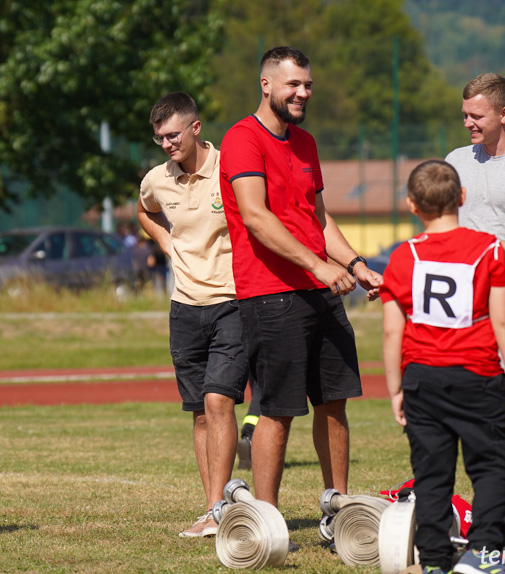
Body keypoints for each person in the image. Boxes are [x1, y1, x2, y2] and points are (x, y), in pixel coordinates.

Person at [219, 46, 381, 523]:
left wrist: (354, 263)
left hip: (319, 290)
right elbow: (255, 216)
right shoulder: (242, 139)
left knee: (335, 401)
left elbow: (319, 217)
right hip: (271, 294)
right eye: (293, 84)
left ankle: (338, 509)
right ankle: (266, 519)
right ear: (266, 84)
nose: (303, 92)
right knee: (278, 409)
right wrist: (319, 266)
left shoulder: (305, 143)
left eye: (307, 84)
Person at [381, 159, 505, 574]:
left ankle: (436, 562)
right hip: (478, 376)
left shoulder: (402, 257)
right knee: (494, 466)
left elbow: (393, 333)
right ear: (462, 198)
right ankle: (480, 554)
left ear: (411, 204)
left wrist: (395, 389)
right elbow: (503, 320)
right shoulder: (489, 249)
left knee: (431, 476)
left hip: (423, 378)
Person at [137, 92, 249, 538]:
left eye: (173, 134)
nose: (167, 144)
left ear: (196, 128)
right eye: (160, 138)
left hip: (233, 302)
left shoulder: (231, 167)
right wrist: (164, 242)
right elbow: (144, 210)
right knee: (200, 413)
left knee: (220, 401)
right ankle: (211, 510)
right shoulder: (155, 180)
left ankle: (221, 508)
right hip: (184, 308)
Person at [445, 73, 505, 330]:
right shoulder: (455, 160)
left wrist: (484, 253)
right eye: (465, 115)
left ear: (504, 114)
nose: (468, 123)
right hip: (459, 293)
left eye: (476, 116)